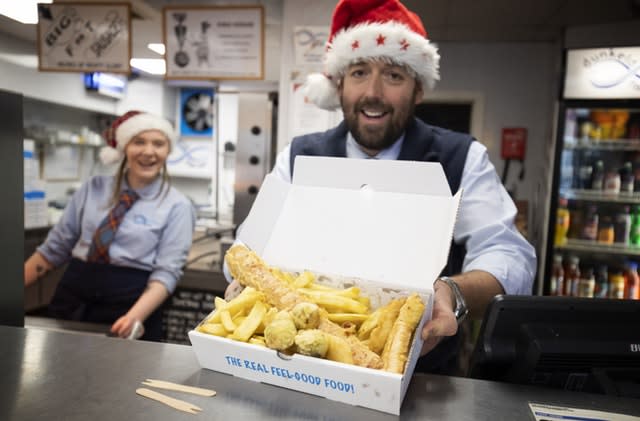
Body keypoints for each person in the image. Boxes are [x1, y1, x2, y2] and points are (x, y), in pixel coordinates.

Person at [227, 0, 536, 374]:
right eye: (359, 72)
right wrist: (241, 285)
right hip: (303, 368)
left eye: (393, 75)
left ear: (418, 90)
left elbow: (508, 253)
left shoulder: (461, 157)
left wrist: (453, 293)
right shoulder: (300, 156)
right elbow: (249, 249)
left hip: (425, 378)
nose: (373, 92)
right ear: (338, 84)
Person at [24, 111, 195, 341]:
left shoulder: (178, 206)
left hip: (131, 303)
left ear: (168, 151)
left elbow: (166, 274)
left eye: (158, 144)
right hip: (73, 296)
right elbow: (54, 249)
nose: (148, 151)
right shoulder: (93, 187)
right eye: (139, 142)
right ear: (124, 147)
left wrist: (133, 318)